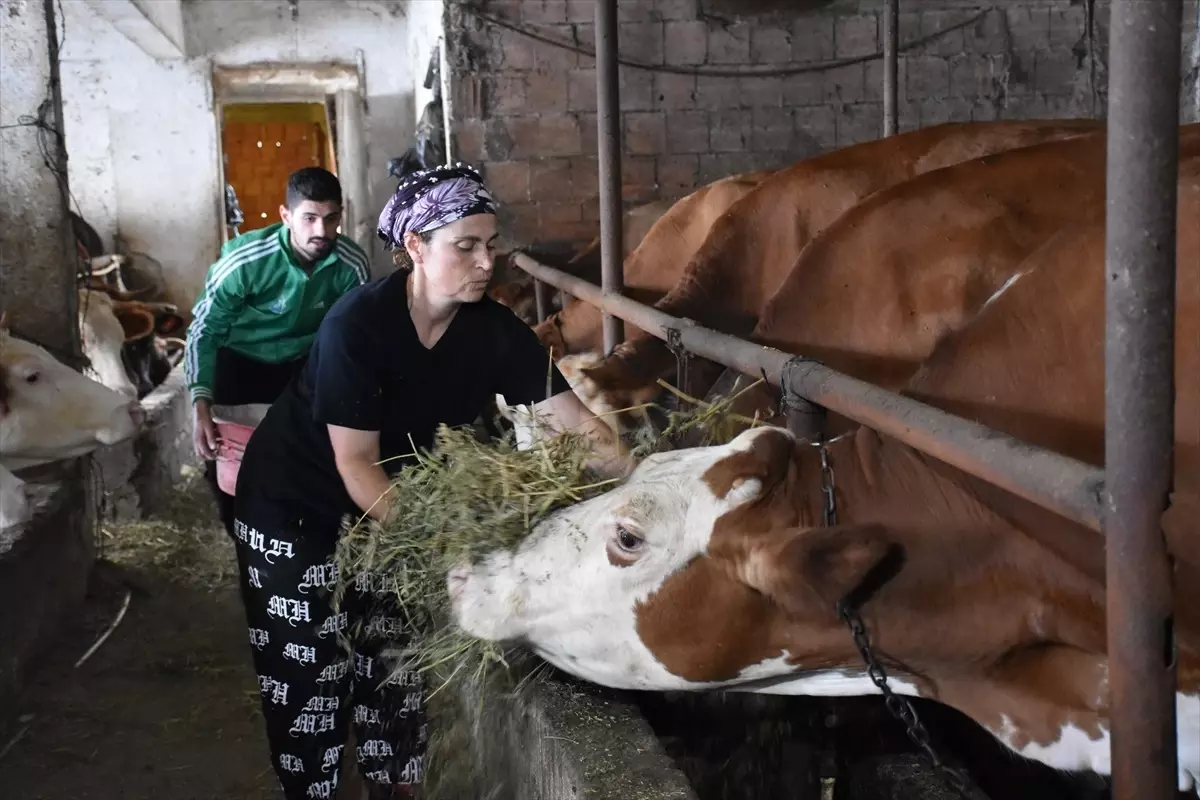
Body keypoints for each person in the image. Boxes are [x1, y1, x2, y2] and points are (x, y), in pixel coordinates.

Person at [229, 163, 625, 800]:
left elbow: (580, 430)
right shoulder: (357, 327)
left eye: (489, 244)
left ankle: (395, 790)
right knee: (311, 671)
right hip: (296, 505)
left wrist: (646, 486)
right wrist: (444, 549)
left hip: (397, 502)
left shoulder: (495, 332)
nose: (484, 262)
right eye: (463, 246)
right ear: (415, 247)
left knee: (392, 658)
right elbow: (356, 466)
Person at [185, 166, 371, 538]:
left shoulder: (351, 266)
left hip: (304, 364)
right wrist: (200, 400)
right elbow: (204, 330)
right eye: (309, 218)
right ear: (286, 216)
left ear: (341, 217)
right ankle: (241, 533)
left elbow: (359, 336)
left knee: (306, 455)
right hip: (239, 362)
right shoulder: (245, 262)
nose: (321, 231)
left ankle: (302, 536)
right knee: (230, 461)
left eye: (331, 218)